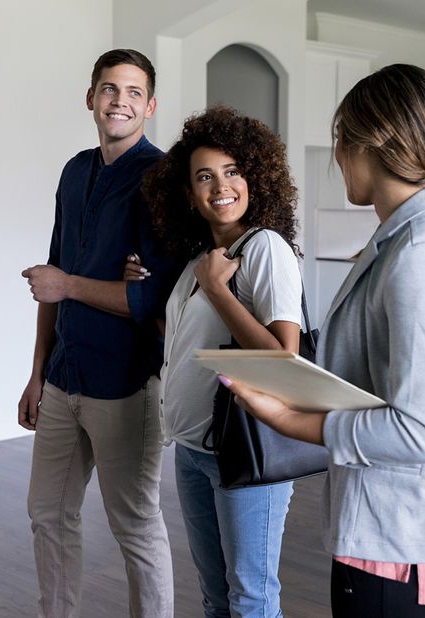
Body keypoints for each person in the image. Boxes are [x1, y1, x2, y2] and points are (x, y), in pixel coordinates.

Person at [221, 64, 425, 616]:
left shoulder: (420, 256)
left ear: (370, 143)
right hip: (396, 530)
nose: (336, 159)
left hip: (402, 540)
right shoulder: (406, 239)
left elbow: (418, 433)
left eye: (339, 142)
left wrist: (288, 420)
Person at [19, 48, 178, 618]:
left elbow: (153, 299)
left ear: (150, 106)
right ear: (91, 98)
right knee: (48, 514)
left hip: (125, 385)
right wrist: (37, 374)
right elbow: (52, 274)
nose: (120, 101)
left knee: (135, 526)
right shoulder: (75, 170)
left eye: (134, 93)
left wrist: (71, 286)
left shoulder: (162, 178)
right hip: (63, 378)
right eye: (110, 89)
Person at [127, 105, 304, 617]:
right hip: (192, 449)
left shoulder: (264, 248)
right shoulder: (200, 261)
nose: (219, 186)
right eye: (204, 176)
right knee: (215, 594)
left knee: (250, 596)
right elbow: (182, 341)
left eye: (232, 171)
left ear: (255, 178)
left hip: (243, 450)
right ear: (189, 193)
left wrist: (216, 291)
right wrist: (145, 286)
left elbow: (282, 357)